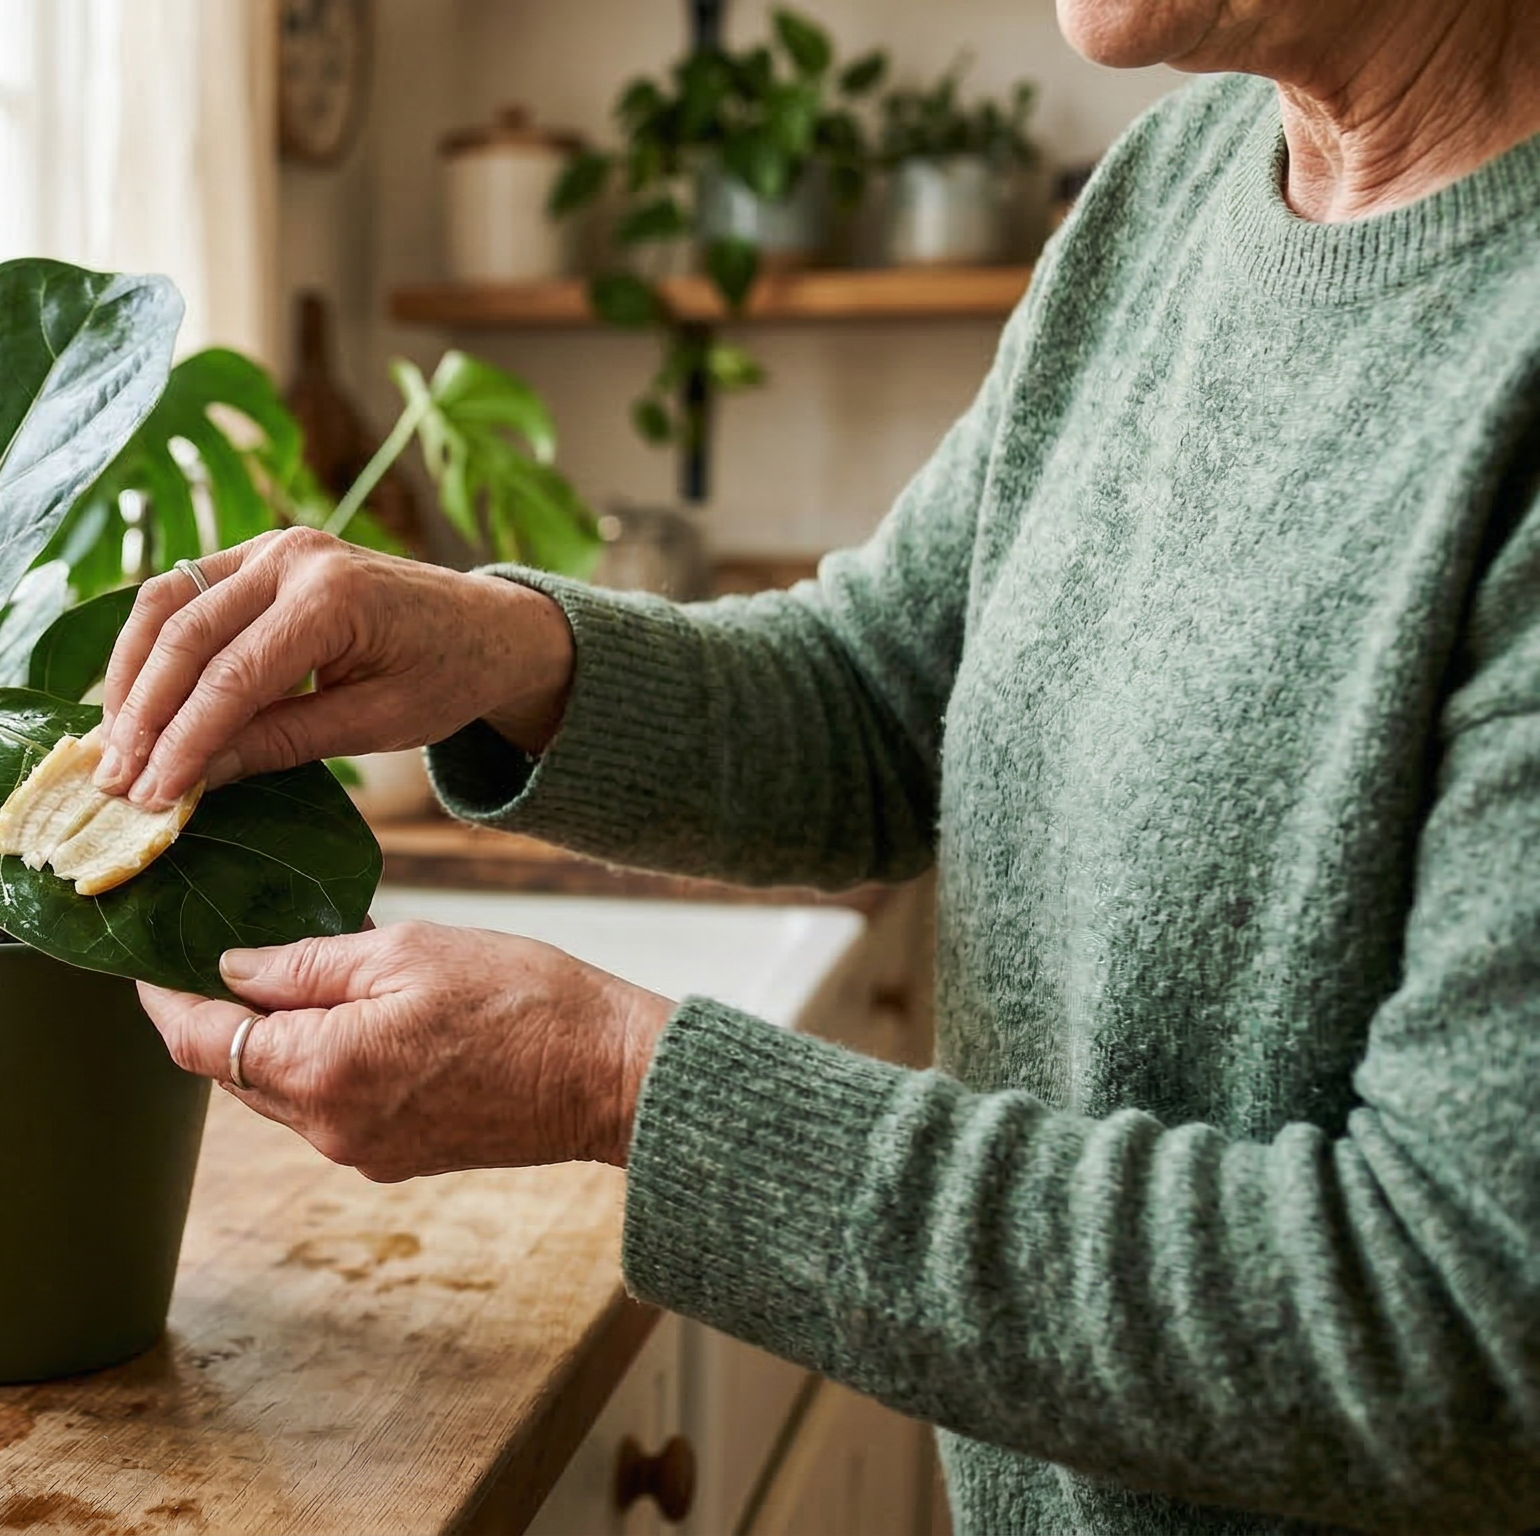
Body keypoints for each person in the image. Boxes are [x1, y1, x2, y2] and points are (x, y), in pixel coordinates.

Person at [101, 1, 1540, 1530]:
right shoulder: (1169, 192)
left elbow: (1449, 1327)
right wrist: (495, 648)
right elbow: (884, 692)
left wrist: (621, 1086)